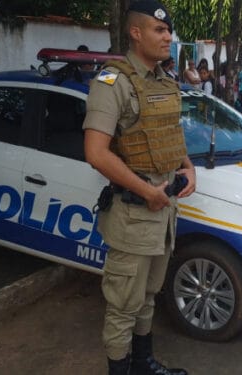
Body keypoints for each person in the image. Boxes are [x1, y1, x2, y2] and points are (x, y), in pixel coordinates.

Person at [82, 1, 195, 374]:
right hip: (134, 213)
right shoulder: (112, 82)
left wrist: (188, 167)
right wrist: (147, 192)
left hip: (163, 212)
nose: (168, 37)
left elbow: (170, 136)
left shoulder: (164, 80)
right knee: (122, 306)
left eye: (168, 31)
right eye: (159, 31)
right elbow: (96, 153)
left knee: (148, 297)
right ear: (135, 33)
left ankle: (144, 364)